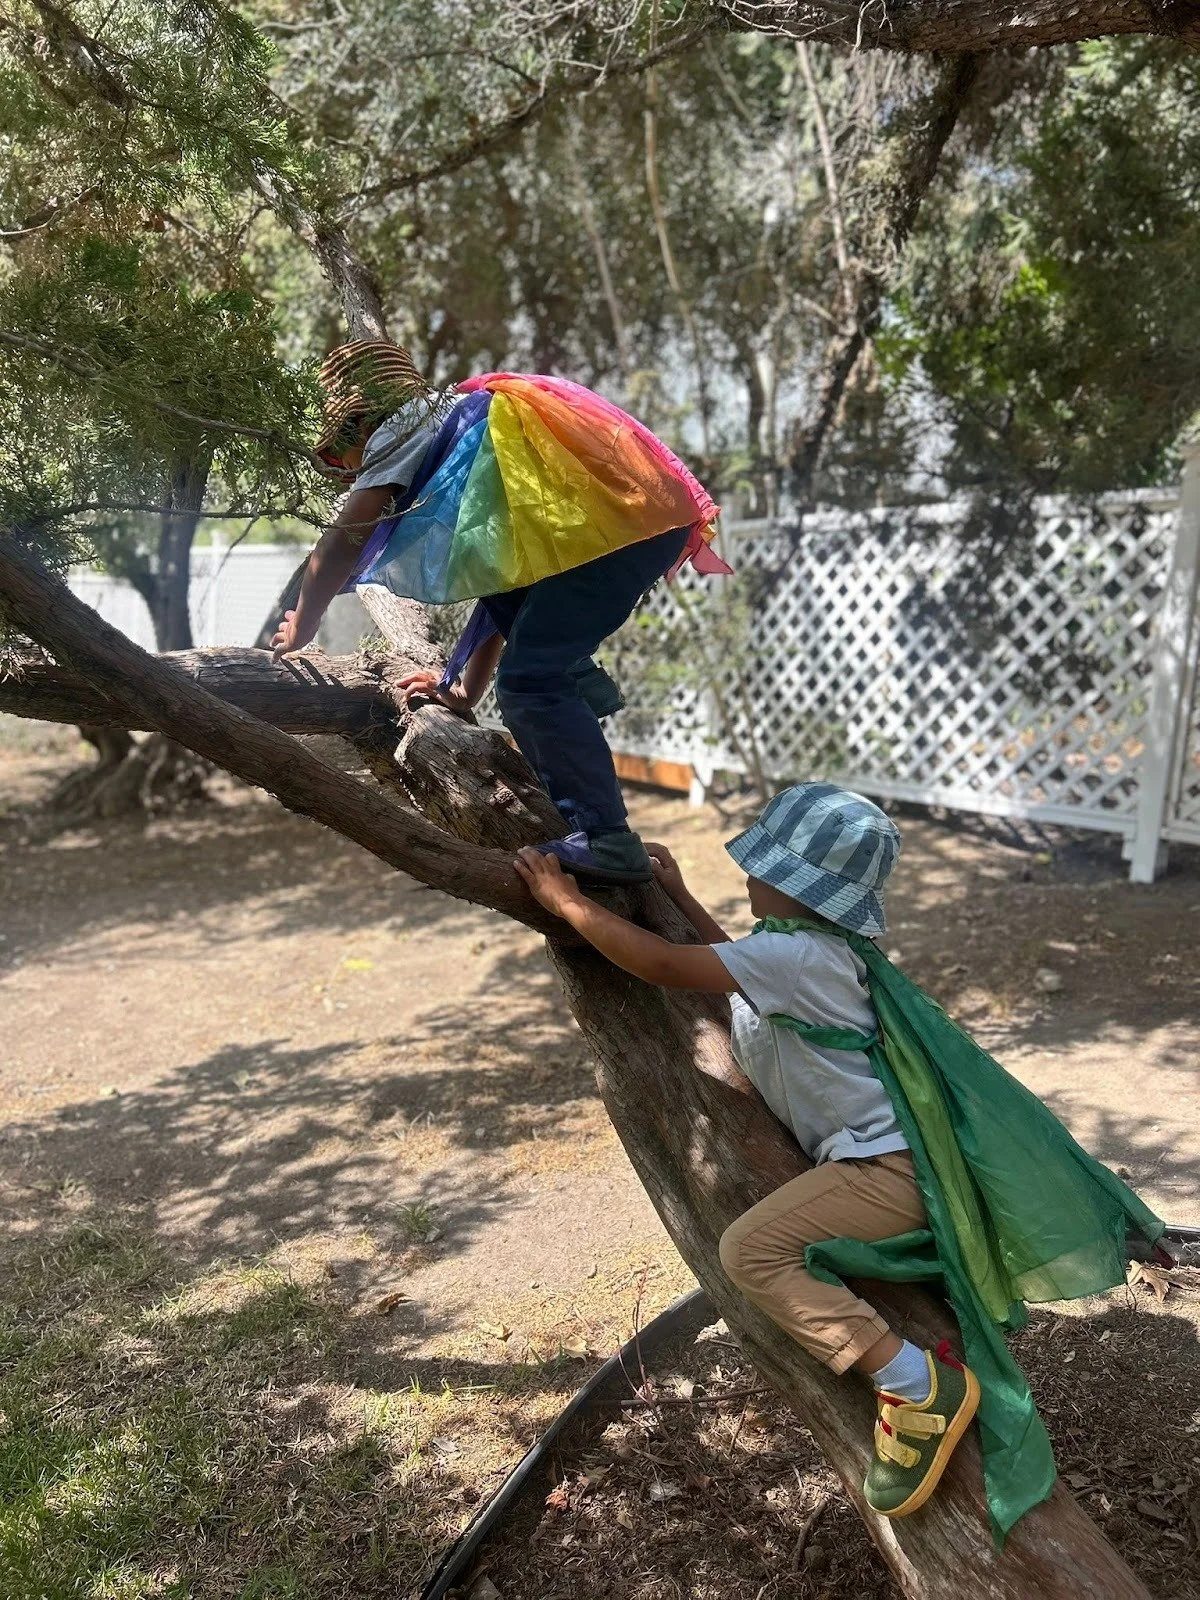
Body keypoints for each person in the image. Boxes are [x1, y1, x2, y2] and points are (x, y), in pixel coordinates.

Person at [512, 781, 1166, 1534]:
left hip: (884, 1172)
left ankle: (916, 1383)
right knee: (763, 1245)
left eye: (761, 865)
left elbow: (663, 966)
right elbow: (746, 972)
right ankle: (908, 1372)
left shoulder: (794, 959)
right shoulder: (813, 954)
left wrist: (565, 904)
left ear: (791, 886)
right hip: (884, 1164)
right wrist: (684, 897)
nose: (747, 875)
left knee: (751, 1253)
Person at [271, 339, 729, 886]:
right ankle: (578, 677)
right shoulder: (466, 440)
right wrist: (463, 690)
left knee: (532, 681)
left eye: (342, 458)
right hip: (633, 516)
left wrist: (304, 619)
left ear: (359, 425)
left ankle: (608, 841)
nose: (349, 472)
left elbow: (344, 539)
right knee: (535, 656)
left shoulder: (400, 428)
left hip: (624, 525)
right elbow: (506, 587)